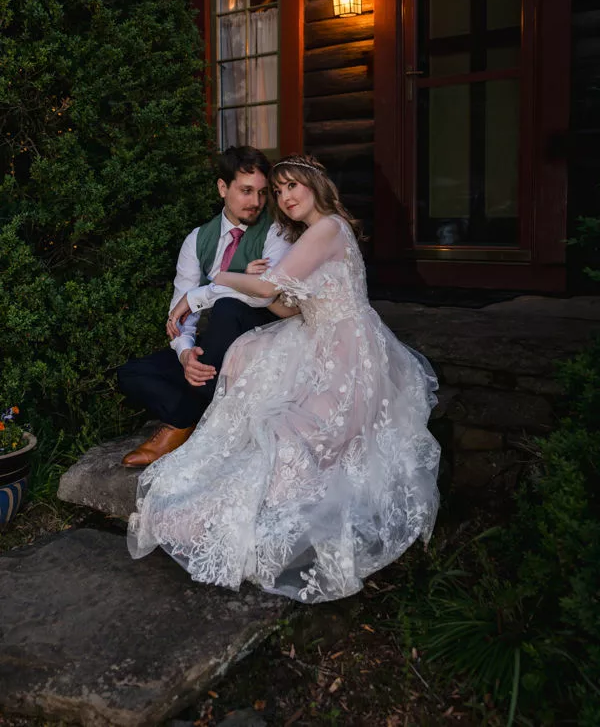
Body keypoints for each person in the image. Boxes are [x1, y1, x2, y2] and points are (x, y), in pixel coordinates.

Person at [127, 155, 441, 603]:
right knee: (246, 363)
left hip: (346, 352)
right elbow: (288, 307)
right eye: (279, 191)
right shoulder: (305, 236)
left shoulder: (328, 228)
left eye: (293, 186)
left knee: (289, 435)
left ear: (316, 185)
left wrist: (218, 282)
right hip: (314, 338)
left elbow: (270, 288)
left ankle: (255, 516)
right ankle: (222, 486)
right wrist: (254, 283)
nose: (285, 197)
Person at [117, 146, 292, 468]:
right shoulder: (197, 239)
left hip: (260, 344)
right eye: (246, 191)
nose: (255, 202)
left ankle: (177, 427)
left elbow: (264, 295)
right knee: (132, 373)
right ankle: (191, 416)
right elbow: (180, 312)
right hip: (211, 352)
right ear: (222, 188)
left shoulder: (277, 232)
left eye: (262, 193)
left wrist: (206, 292)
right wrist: (186, 355)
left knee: (227, 306)